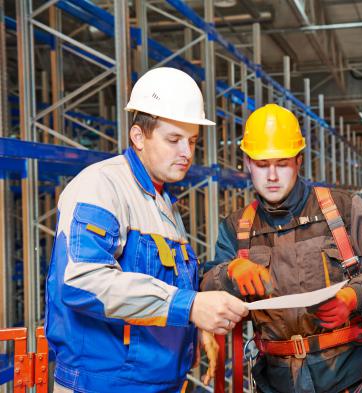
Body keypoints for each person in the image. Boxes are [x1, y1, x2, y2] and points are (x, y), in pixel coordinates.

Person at [45, 67, 248, 393]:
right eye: (174, 139)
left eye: (192, 141)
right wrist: (191, 306)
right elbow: (82, 282)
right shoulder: (101, 186)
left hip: (161, 381)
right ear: (138, 136)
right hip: (104, 385)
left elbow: (167, 289)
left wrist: (194, 332)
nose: (187, 153)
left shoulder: (163, 203)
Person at [201, 104, 362, 393]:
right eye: (261, 165)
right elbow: (207, 286)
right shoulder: (236, 227)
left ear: (299, 161)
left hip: (346, 380)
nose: (272, 176)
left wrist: (353, 297)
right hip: (274, 382)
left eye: (282, 163)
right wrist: (229, 272)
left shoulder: (342, 209)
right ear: (247, 163)